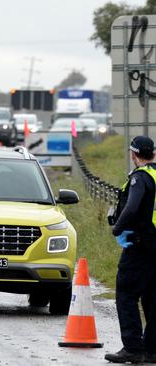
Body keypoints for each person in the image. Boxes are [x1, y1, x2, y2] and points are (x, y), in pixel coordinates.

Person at [105, 136, 156, 364]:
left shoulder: (141, 177)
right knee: (153, 297)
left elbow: (133, 206)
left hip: (140, 245)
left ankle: (133, 348)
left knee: (126, 293)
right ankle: (152, 350)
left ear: (133, 154)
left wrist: (118, 229)